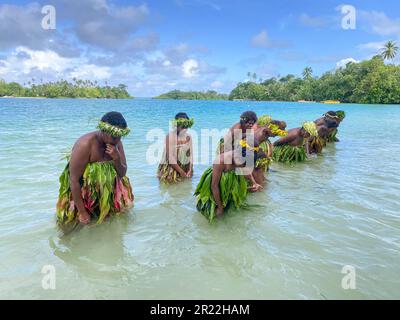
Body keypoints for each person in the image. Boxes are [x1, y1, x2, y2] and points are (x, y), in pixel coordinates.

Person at [56, 112, 134, 232]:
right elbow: (74, 180)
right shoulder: (85, 144)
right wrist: (82, 212)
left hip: (107, 198)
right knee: (71, 231)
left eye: (120, 136)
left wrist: (117, 158)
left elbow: (122, 173)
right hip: (83, 198)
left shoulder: (117, 143)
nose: (117, 140)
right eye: (114, 136)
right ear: (103, 129)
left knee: (110, 231)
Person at [195, 140, 266, 222]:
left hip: (232, 177)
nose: (241, 166)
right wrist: (220, 206)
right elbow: (214, 186)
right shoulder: (220, 161)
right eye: (241, 163)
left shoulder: (246, 157)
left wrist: (254, 183)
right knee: (216, 214)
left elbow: (246, 172)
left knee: (232, 209)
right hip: (217, 181)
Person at [157, 113, 194, 183]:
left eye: (186, 127)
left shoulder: (188, 137)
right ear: (176, 125)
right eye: (182, 126)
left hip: (185, 166)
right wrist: (181, 172)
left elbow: (191, 154)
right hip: (172, 167)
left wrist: (190, 169)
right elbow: (170, 157)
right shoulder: (170, 136)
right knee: (171, 184)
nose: (184, 129)